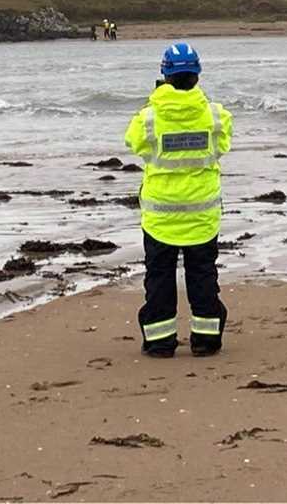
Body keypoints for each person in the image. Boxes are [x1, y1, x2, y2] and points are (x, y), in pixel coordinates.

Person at [124, 42, 233, 357]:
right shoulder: (215, 116)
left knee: (159, 278)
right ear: (197, 75)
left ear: (165, 75)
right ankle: (206, 340)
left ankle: (160, 342)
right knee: (203, 275)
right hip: (202, 216)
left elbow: (135, 144)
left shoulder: (148, 118)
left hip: (160, 218)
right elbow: (223, 144)